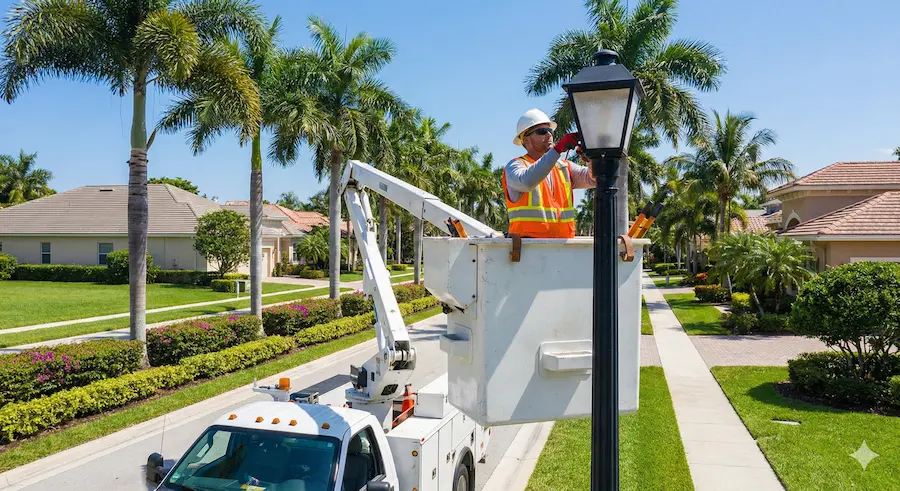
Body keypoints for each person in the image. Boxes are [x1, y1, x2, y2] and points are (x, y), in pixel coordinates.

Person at [502, 108, 595, 238]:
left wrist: (590, 159)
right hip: (528, 250)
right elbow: (527, 182)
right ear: (526, 140)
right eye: (542, 131)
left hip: (563, 248)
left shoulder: (564, 167)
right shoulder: (516, 166)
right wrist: (558, 149)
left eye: (550, 131)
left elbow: (594, 179)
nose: (549, 135)